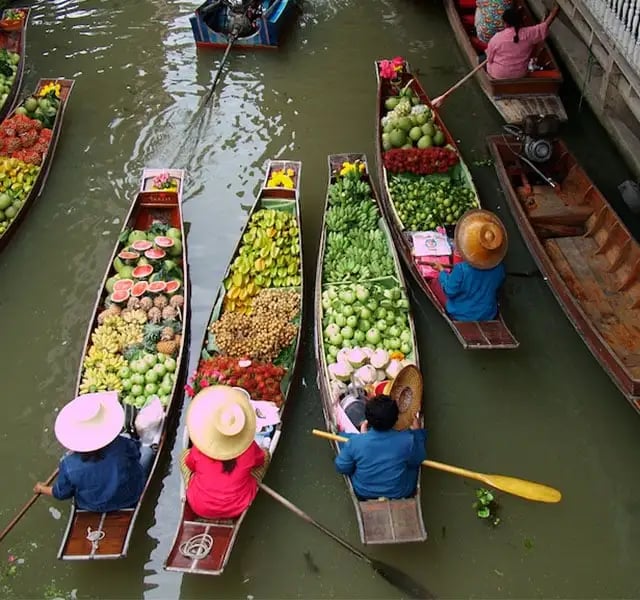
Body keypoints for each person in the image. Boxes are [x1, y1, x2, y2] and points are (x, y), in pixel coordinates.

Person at [33, 392, 152, 512]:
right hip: (131, 496)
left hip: (92, 506)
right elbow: (136, 454)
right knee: (147, 450)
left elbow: (61, 493)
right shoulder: (121, 444)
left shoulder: (68, 465)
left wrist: (41, 488)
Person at [334, 367, 426, 501]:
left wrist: (362, 438)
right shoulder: (408, 439)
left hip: (363, 491)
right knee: (412, 465)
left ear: (367, 420)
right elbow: (418, 460)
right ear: (396, 419)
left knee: (344, 441)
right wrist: (418, 433)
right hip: (400, 491)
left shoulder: (355, 442)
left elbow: (341, 467)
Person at [181, 385, 268, 520]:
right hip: (237, 507)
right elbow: (261, 460)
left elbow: (190, 464)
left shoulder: (200, 449)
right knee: (266, 455)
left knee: (184, 456)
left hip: (200, 506)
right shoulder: (249, 448)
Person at [431, 209, 507, 321]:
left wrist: (442, 271)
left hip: (462, 314)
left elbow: (449, 291)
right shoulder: (499, 268)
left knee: (434, 284)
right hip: (488, 313)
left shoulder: (461, 269)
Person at [486, 3, 560, 79]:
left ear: (505, 23)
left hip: (498, 74)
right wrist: (554, 12)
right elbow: (545, 25)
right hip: (520, 74)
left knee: (483, 60)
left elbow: (489, 59)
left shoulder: (496, 38)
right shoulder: (529, 33)